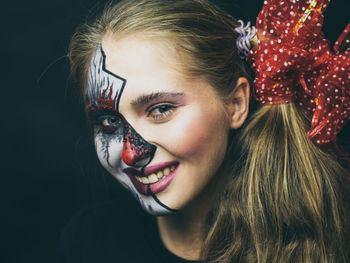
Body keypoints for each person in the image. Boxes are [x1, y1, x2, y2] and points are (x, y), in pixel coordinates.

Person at [58, 0, 350, 262]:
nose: (131, 153)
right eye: (108, 122)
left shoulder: (336, 237)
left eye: (160, 109)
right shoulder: (89, 241)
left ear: (235, 104)